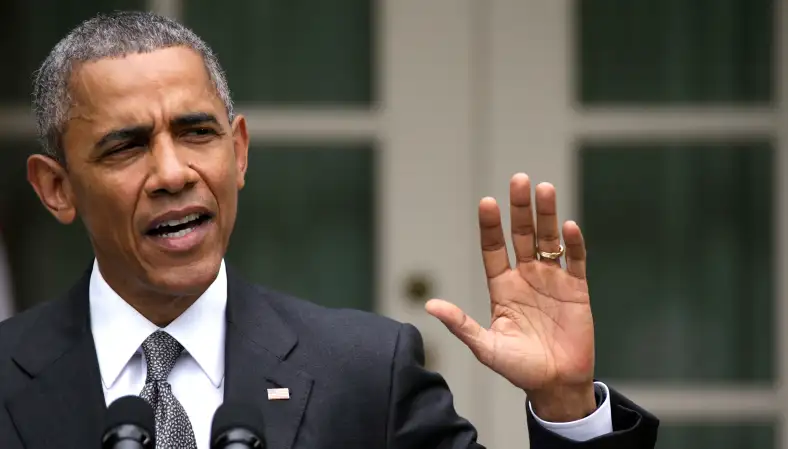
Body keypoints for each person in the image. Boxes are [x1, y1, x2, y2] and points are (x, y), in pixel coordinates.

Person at [0, 11, 658, 449]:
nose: (173, 172)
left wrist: (566, 403)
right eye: (127, 147)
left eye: (197, 133)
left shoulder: (366, 372)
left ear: (240, 152)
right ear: (57, 188)